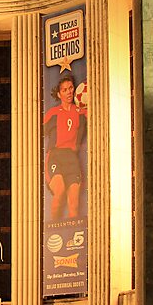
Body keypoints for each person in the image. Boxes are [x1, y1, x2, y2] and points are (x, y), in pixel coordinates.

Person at [43, 75, 88, 221]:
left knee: (74, 204)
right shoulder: (52, 114)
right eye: (64, 90)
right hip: (55, 156)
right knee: (60, 190)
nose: (68, 92)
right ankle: (54, 231)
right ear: (59, 94)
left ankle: (72, 238)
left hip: (72, 159)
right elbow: (37, 132)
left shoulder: (81, 113)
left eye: (70, 88)